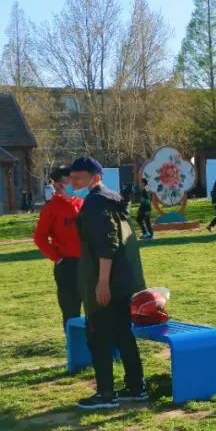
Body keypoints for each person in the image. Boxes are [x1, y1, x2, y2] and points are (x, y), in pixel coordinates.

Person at [67, 157, 148, 410]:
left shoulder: (95, 203)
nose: (73, 183)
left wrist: (102, 282)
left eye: (78, 178)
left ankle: (106, 394)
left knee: (99, 337)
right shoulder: (113, 199)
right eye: (71, 178)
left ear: (95, 178)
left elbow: (107, 243)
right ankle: (136, 387)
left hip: (105, 282)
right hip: (123, 282)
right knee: (123, 334)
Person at [33, 166, 84, 329]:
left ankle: (96, 342)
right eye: (69, 181)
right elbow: (40, 237)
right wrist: (57, 258)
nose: (74, 184)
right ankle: (73, 341)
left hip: (88, 263)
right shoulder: (51, 208)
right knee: (71, 310)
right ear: (58, 185)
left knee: (95, 309)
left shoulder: (82, 202)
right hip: (67, 265)